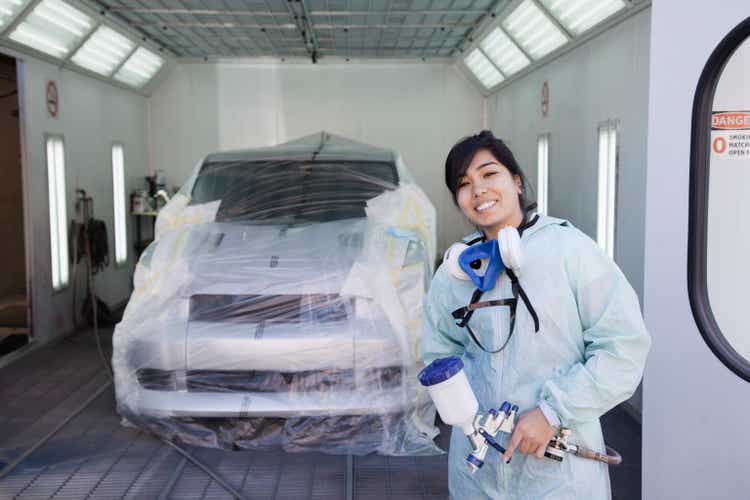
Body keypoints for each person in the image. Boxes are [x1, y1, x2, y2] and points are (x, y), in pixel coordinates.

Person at [421, 130, 651, 499]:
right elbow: (437, 353)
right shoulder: (456, 271)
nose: (478, 189)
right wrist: (462, 415)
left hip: (559, 474)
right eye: (464, 184)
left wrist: (552, 412)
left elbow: (623, 349)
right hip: (477, 475)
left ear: (516, 181)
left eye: (489, 174)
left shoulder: (570, 250)